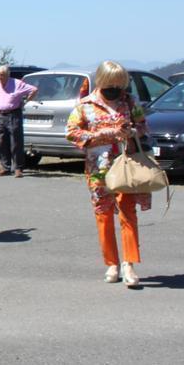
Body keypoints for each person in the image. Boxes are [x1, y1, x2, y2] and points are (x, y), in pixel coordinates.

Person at [65, 60, 151, 287]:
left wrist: (131, 131)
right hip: (98, 168)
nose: (116, 88)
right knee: (103, 214)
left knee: (128, 212)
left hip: (126, 165)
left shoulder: (130, 102)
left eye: (120, 83)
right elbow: (72, 133)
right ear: (101, 81)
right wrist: (107, 134)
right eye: (111, 83)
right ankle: (111, 263)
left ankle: (129, 264)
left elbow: (144, 126)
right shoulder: (85, 105)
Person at [0, 64, 38, 177]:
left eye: (2, 75)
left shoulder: (17, 83)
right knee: (1, 141)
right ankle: (5, 167)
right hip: (1, 115)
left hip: (14, 114)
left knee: (15, 141)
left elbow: (34, 89)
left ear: (7, 75)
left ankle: (18, 168)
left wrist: (25, 101)